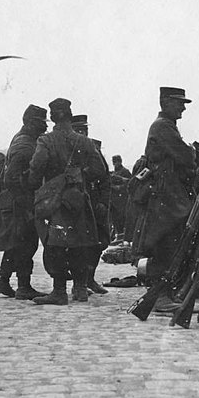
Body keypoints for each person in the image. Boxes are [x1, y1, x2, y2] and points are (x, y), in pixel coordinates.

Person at [28, 98, 107, 305]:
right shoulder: (84, 141)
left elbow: (37, 167)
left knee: (56, 244)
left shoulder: (46, 141)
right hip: (79, 199)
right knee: (80, 243)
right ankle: (80, 289)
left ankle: (59, 291)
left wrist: (40, 184)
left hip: (56, 201)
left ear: (53, 117)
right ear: (70, 115)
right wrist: (79, 176)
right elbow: (99, 170)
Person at [131, 87, 196, 312]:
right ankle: (159, 296)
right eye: (179, 103)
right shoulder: (163, 127)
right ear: (166, 102)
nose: (183, 108)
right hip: (165, 198)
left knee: (169, 244)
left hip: (168, 196)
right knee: (164, 245)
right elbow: (185, 156)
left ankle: (162, 293)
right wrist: (192, 152)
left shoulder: (166, 126)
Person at [0, 104, 49, 299]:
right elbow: (12, 178)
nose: (45, 128)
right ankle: (23, 287)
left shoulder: (22, 139)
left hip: (14, 201)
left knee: (16, 243)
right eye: (41, 124)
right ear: (30, 123)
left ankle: (2, 280)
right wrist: (26, 205)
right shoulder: (25, 145)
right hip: (19, 202)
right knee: (27, 243)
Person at [72, 114, 111, 295]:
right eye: (78, 130)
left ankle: (90, 278)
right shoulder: (68, 149)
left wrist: (103, 201)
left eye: (85, 130)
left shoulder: (93, 148)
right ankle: (78, 283)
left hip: (94, 203)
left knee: (99, 242)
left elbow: (105, 178)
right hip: (75, 204)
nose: (83, 133)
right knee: (77, 245)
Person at [109, 154, 131, 240]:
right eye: (114, 162)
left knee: (122, 219)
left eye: (116, 162)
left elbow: (130, 183)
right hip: (114, 201)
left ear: (120, 161)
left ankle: (122, 237)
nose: (115, 164)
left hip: (122, 200)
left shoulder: (125, 171)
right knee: (115, 220)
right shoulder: (114, 173)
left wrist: (119, 188)